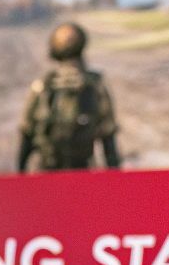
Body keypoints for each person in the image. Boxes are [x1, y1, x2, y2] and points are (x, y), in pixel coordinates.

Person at [16, 21, 121, 172]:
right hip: (83, 173)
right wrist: (116, 179)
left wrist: (21, 173)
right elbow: (108, 138)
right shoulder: (95, 85)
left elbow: (26, 134)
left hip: (48, 173)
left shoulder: (42, 85)